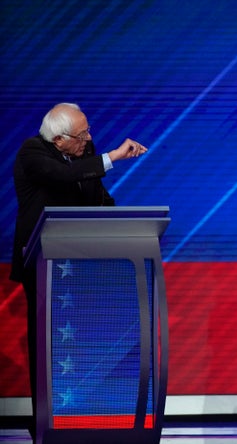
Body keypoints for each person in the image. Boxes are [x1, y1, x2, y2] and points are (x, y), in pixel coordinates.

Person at [9, 102, 148, 441]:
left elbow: (100, 198)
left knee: (86, 342)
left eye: (89, 131)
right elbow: (61, 176)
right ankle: (45, 423)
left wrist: (128, 228)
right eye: (82, 134)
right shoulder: (33, 151)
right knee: (47, 344)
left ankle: (87, 417)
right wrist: (113, 157)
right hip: (43, 262)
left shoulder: (84, 152)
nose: (89, 138)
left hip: (85, 265)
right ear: (58, 139)